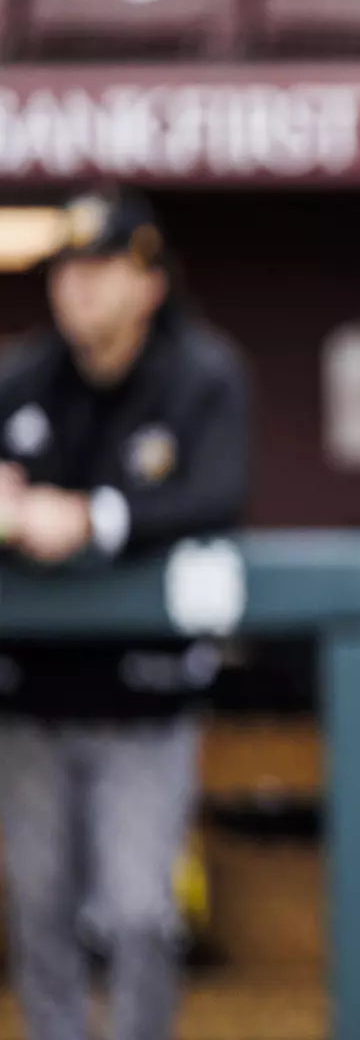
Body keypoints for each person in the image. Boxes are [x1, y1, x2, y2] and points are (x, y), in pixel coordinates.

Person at [0, 186, 251, 1040]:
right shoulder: (24, 377)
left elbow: (217, 493)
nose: (78, 287)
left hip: (145, 697)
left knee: (142, 911)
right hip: (31, 695)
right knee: (40, 908)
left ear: (149, 280)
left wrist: (94, 518)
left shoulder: (199, 373)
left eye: (100, 267)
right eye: (66, 269)